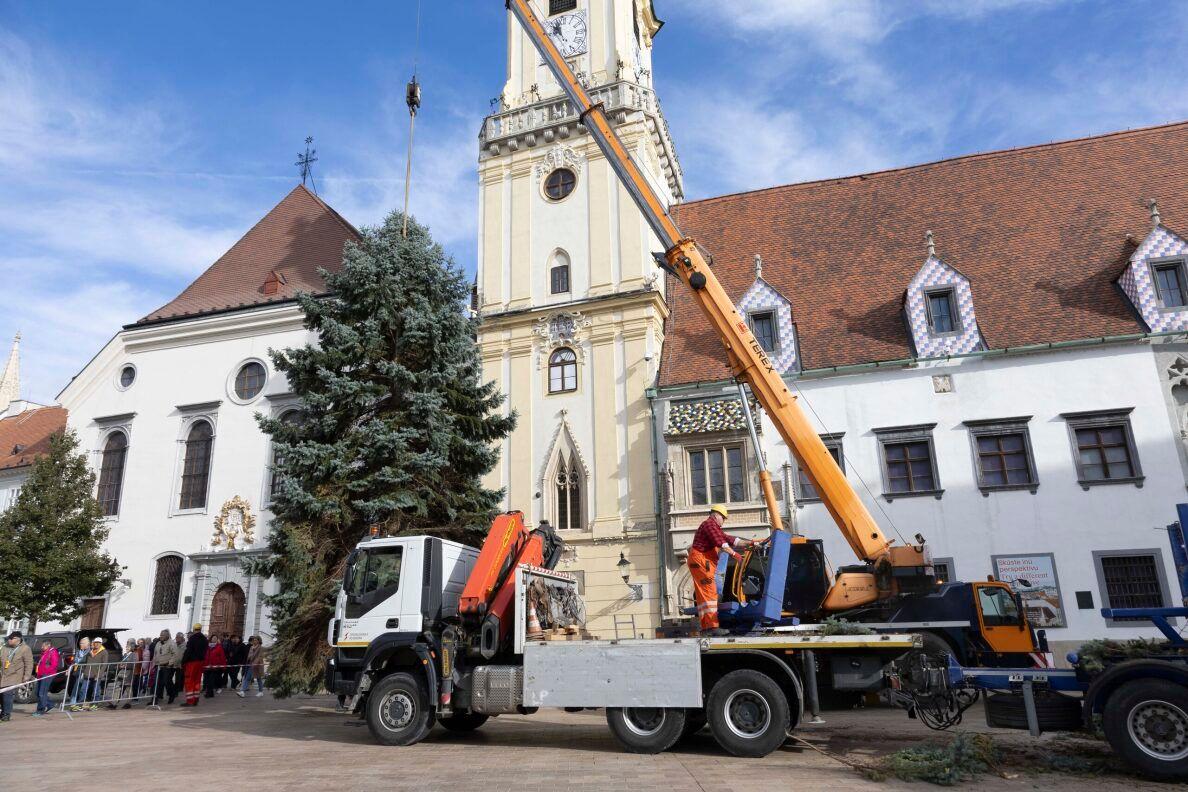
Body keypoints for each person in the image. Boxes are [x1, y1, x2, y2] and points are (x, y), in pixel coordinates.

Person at [687, 505, 756, 637]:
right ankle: (712, 627)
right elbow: (722, 543)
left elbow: (730, 540)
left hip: (699, 561)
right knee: (710, 593)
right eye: (723, 518)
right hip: (701, 562)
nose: (723, 521)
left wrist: (750, 543)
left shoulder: (713, 527)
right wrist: (735, 555)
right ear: (716, 515)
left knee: (704, 597)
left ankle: (706, 627)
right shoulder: (709, 525)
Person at [1, 631, 34, 722]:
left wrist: (26, 676)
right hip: (3, 675)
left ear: (17, 639)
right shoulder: (4, 647)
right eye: (9, 638)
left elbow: (29, 663)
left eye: (11, 639)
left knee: (7, 695)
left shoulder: (25, 649)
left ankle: (6, 714)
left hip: (14, 676)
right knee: (1, 695)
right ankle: (2, 712)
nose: (9, 640)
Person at [76, 637, 108, 711]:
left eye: (98, 643)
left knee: (96, 690)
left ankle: (95, 704)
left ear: (101, 643)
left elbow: (104, 664)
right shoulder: (90, 651)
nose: (96, 644)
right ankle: (81, 704)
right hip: (87, 673)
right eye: (95, 642)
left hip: (96, 674)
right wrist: (83, 671)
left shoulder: (104, 652)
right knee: (83, 689)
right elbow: (85, 662)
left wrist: (99, 674)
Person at [180, 625, 208, 707]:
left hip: (191, 663)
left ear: (194, 629)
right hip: (200, 662)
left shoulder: (192, 639)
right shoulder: (205, 639)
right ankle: (196, 699)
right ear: (200, 629)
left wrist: (183, 661)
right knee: (197, 681)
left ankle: (190, 700)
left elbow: (188, 651)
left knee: (189, 681)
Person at [152, 629, 181, 704]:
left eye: (163, 635)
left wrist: (170, 663)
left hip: (167, 666)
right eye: (160, 635)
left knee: (167, 681)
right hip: (158, 665)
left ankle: (172, 694)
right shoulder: (158, 643)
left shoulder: (172, 643)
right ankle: (155, 699)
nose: (161, 636)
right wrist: (154, 662)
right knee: (156, 682)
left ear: (167, 635)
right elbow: (155, 653)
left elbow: (175, 655)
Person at [33, 638, 59, 716]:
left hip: (47, 675)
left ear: (48, 645)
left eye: (43, 645)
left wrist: (46, 672)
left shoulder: (53, 652)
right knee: (37, 692)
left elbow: (54, 665)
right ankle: (50, 704)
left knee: (42, 693)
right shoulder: (44, 652)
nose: (42, 647)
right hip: (41, 675)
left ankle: (41, 710)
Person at [67, 636, 91, 709]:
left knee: (82, 688)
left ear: (87, 644)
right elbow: (74, 661)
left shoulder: (90, 652)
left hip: (85, 672)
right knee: (76, 687)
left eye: (82, 643)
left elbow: (88, 662)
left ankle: (79, 703)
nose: (80, 644)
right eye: (80, 643)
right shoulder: (78, 651)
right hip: (78, 672)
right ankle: (73, 703)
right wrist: (69, 669)